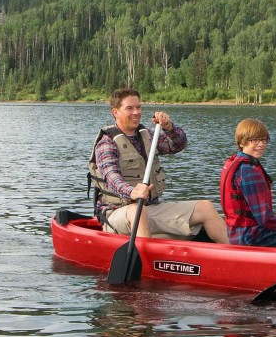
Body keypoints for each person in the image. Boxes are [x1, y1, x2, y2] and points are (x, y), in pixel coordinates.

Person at [89, 87, 229, 244]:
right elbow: (110, 176)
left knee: (206, 208)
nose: (136, 112)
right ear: (115, 112)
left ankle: (237, 257)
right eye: (129, 108)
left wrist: (169, 127)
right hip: (117, 213)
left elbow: (177, 145)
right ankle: (144, 261)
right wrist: (132, 192)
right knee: (137, 210)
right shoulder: (106, 142)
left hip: (151, 208)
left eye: (138, 107)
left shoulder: (148, 135)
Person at [220, 118, 276, 248]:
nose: (261, 144)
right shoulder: (248, 171)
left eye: (264, 140)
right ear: (242, 142)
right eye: (255, 140)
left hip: (237, 234)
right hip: (251, 237)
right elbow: (265, 219)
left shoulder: (235, 163)